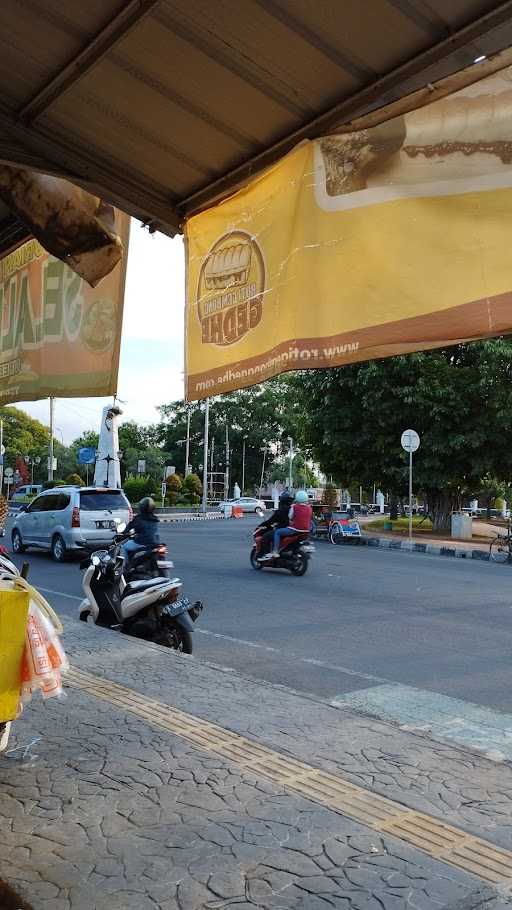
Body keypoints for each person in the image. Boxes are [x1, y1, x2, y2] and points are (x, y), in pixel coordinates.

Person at [264, 490, 313, 559]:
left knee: (277, 532)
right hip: (306, 531)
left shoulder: (294, 507)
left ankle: (275, 551)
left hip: (295, 529)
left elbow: (290, 516)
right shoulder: (309, 508)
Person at [122, 496, 160, 564]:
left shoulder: (138, 518)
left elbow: (128, 528)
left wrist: (123, 533)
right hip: (154, 544)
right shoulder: (155, 519)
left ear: (142, 507)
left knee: (123, 546)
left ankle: (126, 566)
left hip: (141, 543)